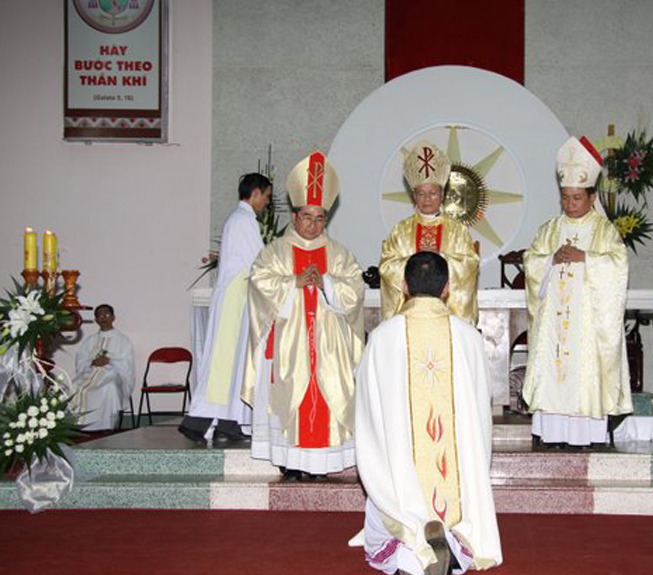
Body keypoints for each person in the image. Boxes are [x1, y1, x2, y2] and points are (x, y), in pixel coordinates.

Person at [352, 252, 502, 575]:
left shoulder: (383, 336)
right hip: (455, 472)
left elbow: (366, 400)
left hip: (400, 464)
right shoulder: (468, 337)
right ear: (447, 288)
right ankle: (444, 545)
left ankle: (411, 554)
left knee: (389, 506)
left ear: (404, 287)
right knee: (462, 517)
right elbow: (482, 402)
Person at [242, 151, 364, 479]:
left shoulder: (339, 254)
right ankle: (291, 462)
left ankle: (321, 464)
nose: (313, 224)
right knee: (290, 398)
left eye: (320, 218)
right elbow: (258, 284)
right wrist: (293, 283)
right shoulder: (274, 252)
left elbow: (354, 291)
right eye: (307, 217)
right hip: (289, 345)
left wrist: (326, 283)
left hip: (328, 348)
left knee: (325, 398)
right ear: (295, 217)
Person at [522, 136, 632, 447]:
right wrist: (549, 260)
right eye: (565, 198)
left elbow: (618, 265)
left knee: (583, 375)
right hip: (554, 326)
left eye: (577, 198)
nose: (570, 204)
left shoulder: (604, 231)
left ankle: (586, 436)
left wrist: (586, 258)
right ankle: (553, 434)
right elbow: (531, 261)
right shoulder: (550, 230)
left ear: (592, 196)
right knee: (554, 372)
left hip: (586, 326)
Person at [179, 172, 271, 443]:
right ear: (255, 193)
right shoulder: (245, 220)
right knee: (225, 361)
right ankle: (197, 422)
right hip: (235, 297)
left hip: (236, 294)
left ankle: (228, 424)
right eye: (266, 196)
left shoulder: (237, 218)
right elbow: (259, 262)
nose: (267, 203)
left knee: (234, 363)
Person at [379, 141, 479, 325]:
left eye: (432, 193)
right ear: (414, 196)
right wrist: (416, 261)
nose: (426, 199)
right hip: (409, 315)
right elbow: (386, 267)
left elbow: (469, 264)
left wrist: (440, 258)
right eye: (421, 193)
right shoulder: (400, 230)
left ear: (442, 195)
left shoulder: (457, 230)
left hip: (446, 315)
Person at [71, 304, 135, 431]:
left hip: (113, 375)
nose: (103, 318)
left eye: (106, 314)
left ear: (113, 317)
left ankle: (106, 427)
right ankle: (80, 425)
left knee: (109, 387)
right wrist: (92, 362)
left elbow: (127, 365)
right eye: (99, 315)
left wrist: (109, 360)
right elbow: (81, 362)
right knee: (74, 386)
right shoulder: (89, 341)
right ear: (96, 320)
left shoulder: (123, 341)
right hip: (90, 373)